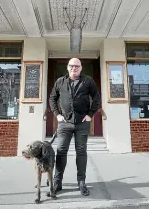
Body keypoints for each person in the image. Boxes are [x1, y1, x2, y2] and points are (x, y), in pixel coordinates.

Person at [49, 58, 100, 196]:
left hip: (82, 123)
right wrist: (57, 115)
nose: (74, 68)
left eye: (77, 66)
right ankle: (57, 182)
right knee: (61, 151)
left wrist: (90, 114)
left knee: (81, 152)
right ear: (67, 67)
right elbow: (52, 98)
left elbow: (96, 97)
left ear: (81, 68)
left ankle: (81, 181)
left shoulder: (88, 81)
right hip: (64, 123)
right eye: (71, 66)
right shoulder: (60, 81)